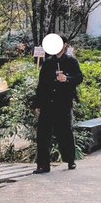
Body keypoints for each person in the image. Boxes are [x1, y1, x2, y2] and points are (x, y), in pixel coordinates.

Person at [33, 37, 83, 173]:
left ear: (65, 45)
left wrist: (67, 79)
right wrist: (37, 104)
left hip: (64, 102)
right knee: (43, 134)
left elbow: (79, 77)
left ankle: (70, 160)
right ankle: (43, 164)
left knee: (65, 132)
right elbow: (41, 84)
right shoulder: (48, 63)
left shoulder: (71, 61)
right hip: (47, 103)